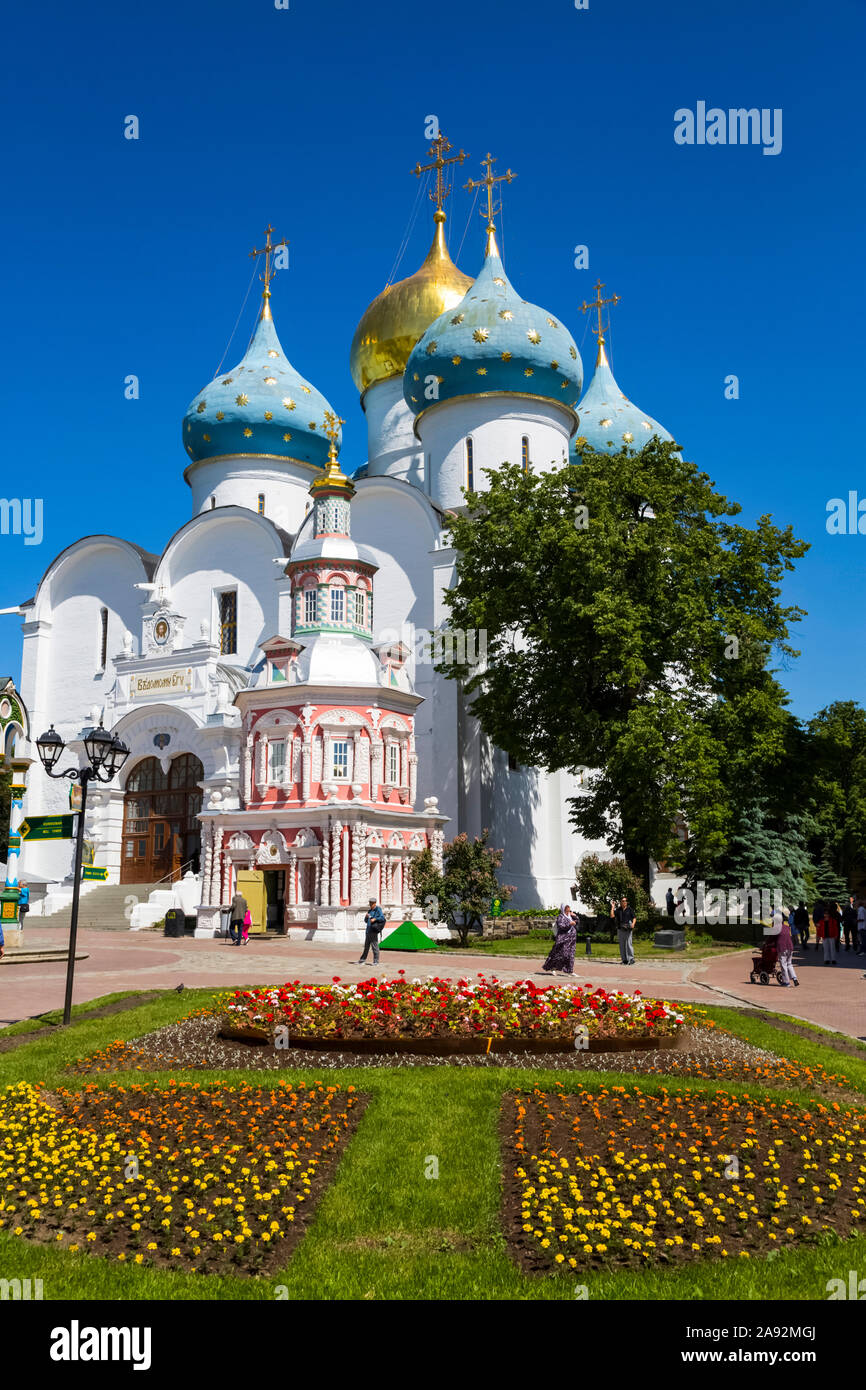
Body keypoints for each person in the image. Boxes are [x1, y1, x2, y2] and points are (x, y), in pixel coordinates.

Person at [543, 904, 577, 976]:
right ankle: (553, 967)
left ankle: (570, 970)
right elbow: (561, 926)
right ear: (563, 909)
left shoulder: (570, 916)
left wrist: (574, 916)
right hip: (563, 939)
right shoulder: (561, 917)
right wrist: (570, 924)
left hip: (571, 940)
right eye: (567, 908)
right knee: (561, 954)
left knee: (570, 955)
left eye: (569, 908)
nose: (568, 909)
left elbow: (577, 922)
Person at [358, 897, 385, 966]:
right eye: (370, 903)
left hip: (373, 930)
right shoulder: (369, 911)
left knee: (374, 946)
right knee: (366, 946)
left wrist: (375, 919)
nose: (370, 904)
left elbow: (382, 918)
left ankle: (376, 961)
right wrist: (366, 917)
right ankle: (362, 960)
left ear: (375, 903)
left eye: (372, 903)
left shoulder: (378, 909)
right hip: (368, 930)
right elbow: (366, 921)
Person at [611, 895, 636, 965]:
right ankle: (624, 959)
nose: (624, 902)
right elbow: (612, 916)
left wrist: (633, 924)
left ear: (627, 902)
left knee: (629, 944)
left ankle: (631, 959)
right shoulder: (618, 910)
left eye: (625, 901)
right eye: (622, 901)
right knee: (622, 945)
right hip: (620, 929)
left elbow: (634, 918)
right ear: (620, 902)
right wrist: (612, 907)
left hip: (628, 929)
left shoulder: (630, 909)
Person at [776, 912, 799, 987]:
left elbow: (772, 938)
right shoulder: (787, 927)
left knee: (783, 965)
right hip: (790, 947)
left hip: (782, 948)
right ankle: (794, 978)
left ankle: (786, 982)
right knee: (789, 964)